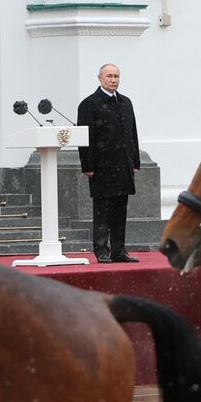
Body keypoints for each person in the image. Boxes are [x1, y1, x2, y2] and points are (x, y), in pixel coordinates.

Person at [78, 63, 141, 262]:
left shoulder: (126, 102)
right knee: (102, 212)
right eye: (109, 76)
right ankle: (101, 250)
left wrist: (135, 161)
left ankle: (119, 250)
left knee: (120, 211)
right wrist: (87, 165)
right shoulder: (89, 104)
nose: (113, 80)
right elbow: (85, 138)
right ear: (100, 78)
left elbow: (132, 133)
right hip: (102, 167)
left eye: (116, 76)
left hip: (123, 166)